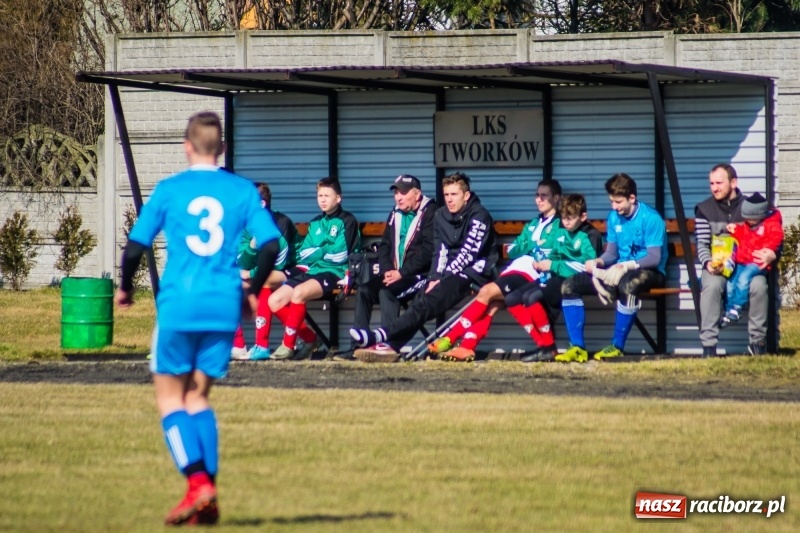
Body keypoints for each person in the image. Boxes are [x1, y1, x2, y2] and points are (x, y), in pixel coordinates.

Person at [114, 111, 282, 525]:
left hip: (180, 304)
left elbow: (136, 246)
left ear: (187, 147)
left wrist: (125, 288)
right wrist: (252, 290)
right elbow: (270, 245)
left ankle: (198, 484)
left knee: (171, 399)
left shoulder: (171, 190)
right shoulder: (242, 190)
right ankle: (209, 495)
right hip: (223, 305)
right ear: (221, 148)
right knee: (198, 398)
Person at [349, 172, 498, 362]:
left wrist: (442, 278)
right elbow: (440, 250)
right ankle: (390, 343)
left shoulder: (480, 215)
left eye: (454, 195)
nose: (449, 200)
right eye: (446, 195)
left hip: (474, 274)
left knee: (427, 300)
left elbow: (468, 255)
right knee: (423, 296)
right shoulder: (442, 215)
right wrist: (435, 277)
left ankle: (384, 336)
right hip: (447, 274)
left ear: (466, 196)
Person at [425, 179, 562, 362]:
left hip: (532, 274)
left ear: (557, 198)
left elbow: (557, 252)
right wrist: (531, 244)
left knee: (486, 292)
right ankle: (467, 346)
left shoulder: (560, 225)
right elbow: (513, 250)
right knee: (491, 306)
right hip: (515, 269)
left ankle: (450, 338)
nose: (539, 199)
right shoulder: (532, 224)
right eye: (537, 195)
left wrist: (532, 247)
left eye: (544, 195)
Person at [557, 173, 667, 362]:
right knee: (569, 285)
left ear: (632, 198)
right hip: (617, 270)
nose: (614, 207)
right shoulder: (614, 217)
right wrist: (598, 262)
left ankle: (617, 346)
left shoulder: (651, 218)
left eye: (618, 202)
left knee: (628, 285)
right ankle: (577, 347)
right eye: (611, 202)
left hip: (650, 271)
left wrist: (627, 265)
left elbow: (654, 258)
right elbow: (611, 254)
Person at [336, 175, 437, 361]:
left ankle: (389, 347)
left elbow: (428, 252)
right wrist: (387, 270)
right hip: (394, 274)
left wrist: (401, 273)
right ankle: (357, 347)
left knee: (387, 293)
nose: (398, 197)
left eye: (404, 192)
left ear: (417, 194)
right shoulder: (395, 212)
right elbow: (385, 245)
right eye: (396, 192)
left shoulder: (431, 212)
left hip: (419, 275)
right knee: (365, 290)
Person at [268, 176, 360, 360]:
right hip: (311, 271)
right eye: (320, 196)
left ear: (338, 198)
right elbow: (303, 254)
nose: (323, 200)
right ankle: (310, 339)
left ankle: (288, 345)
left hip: (336, 273)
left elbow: (339, 255)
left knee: (299, 293)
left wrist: (318, 250)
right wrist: (324, 248)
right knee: (274, 300)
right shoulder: (316, 222)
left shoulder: (347, 221)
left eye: (327, 195)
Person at [506, 194, 604, 362]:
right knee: (512, 298)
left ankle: (548, 347)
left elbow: (586, 267)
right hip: (554, 276)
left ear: (583, 217)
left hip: (575, 280)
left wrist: (553, 265)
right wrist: (544, 263)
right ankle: (543, 344)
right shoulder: (562, 229)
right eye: (563, 218)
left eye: (570, 218)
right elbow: (557, 253)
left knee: (532, 298)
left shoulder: (590, 234)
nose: (565, 222)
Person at [695, 164, 778, 356]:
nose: (714, 188)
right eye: (711, 183)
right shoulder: (704, 209)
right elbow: (702, 244)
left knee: (759, 285)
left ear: (733, 182)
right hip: (717, 266)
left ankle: (758, 343)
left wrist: (773, 253)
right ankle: (709, 346)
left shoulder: (753, 208)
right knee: (712, 286)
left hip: (746, 265)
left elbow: (773, 233)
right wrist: (708, 263)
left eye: (719, 183)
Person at [231, 181, 299, 361]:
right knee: (233, 284)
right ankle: (238, 345)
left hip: (290, 268)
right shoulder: (247, 225)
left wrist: (252, 274)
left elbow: (279, 259)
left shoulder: (281, 223)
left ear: (262, 204)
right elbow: (243, 259)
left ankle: (262, 345)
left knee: (265, 281)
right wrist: (252, 246)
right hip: (263, 270)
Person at [719, 192, 783, 328]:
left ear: (759, 215)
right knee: (730, 283)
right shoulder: (749, 225)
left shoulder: (771, 225)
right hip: (743, 261)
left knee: (743, 279)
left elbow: (777, 239)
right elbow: (744, 238)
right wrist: (735, 230)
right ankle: (729, 310)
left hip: (758, 262)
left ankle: (737, 306)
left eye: (749, 218)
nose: (746, 220)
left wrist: (770, 250)